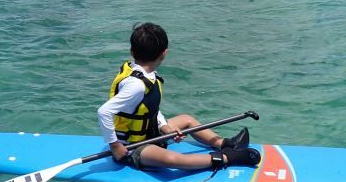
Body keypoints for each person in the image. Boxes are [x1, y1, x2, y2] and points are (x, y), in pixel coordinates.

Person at [97, 23, 261, 171]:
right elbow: (104, 112)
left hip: (151, 132)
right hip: (133, 147)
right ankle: (228, 157)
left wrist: (165, 127)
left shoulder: (147, 75)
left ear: (132, 51)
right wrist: (115, 146)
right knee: (174, 159)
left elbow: (149, 109)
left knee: (187, 119)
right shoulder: (136, 85)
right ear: (164, 54)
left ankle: (226, 144)